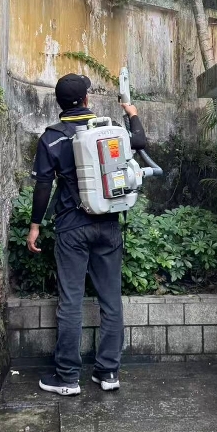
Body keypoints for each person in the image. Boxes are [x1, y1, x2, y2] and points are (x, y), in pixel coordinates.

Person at [27, 72, 147, 396]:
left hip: (71, 228)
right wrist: (132, 114)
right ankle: (109, 373)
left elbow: (43, 186)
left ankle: (67, 378)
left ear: (59, 103)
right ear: (86, 99)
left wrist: (35, 225)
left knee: (71, 301)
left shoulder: (51, 138)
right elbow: (139, 143)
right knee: (111, 300)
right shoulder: (108, 129)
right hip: (108, 224)